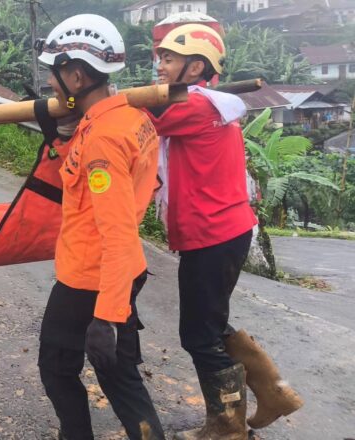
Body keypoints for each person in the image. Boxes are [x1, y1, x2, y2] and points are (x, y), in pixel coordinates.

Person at [147, 24, 303, 439]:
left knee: (198, 334)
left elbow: (141, 118)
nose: (158, 67)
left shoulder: (195, 108)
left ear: (195, 66)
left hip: (213, 235)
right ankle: (274, 393)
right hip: (224, 231)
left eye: (168, 59)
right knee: (210, 325)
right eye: (159, 58)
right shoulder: (213, 104)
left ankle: (228, 427)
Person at [35, 14, 165, 440]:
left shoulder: (104, 139)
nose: (51, 85)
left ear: (75, 75)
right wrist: (61, 135)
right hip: (117, 271)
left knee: (57, 367)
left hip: (91, 276)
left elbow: (118, 232)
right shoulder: (130, 116)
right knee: (118, 374)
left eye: (54, 76)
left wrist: (107, 316)